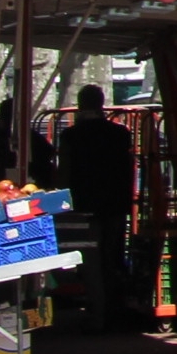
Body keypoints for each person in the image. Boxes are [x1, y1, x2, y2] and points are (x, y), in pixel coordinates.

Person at [61, 86, 136, 330]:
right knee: (111, 256)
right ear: (102, 103)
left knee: (91, 261)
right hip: (115, 203)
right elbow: (127, 169)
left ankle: (98, 315)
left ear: (81, 105)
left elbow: (65, 173)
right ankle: (115, 309)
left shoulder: (71, 136)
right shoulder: (120, 134)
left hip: (85, 205)